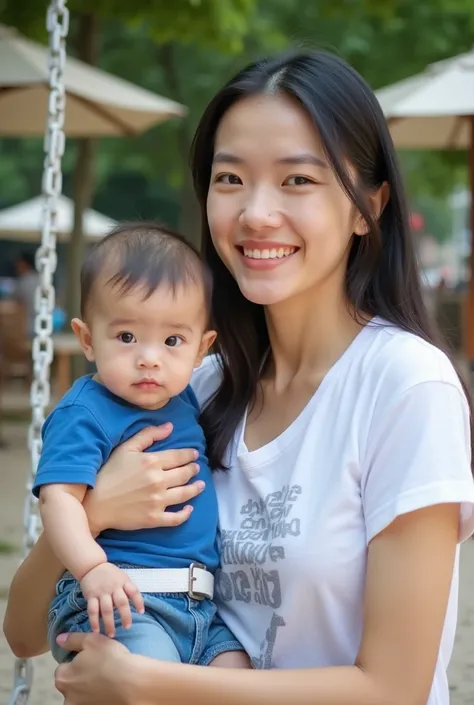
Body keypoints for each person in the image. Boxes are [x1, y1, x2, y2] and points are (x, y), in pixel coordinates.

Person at [4, 48, 474, 705]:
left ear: (368, 206)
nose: (255, 212)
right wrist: (97, 509)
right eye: (230, 179)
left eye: (298, 181)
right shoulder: (195, 389)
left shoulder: (404, 386)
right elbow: (25, 632)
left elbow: (395, 687)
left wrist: (151, 681)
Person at [31, 223, 248, 668]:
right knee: (145, 678)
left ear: (201, 347)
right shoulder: (85, 412)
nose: (149, 357)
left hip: (199, 606)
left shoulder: (185, 400)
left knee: (239, 672)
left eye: (172, 341)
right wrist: (92, 568)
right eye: (126, 337)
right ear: (88, 338)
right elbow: (59, 501)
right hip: (121, 595)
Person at [14, 251, 40, 340]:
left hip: (27, 327)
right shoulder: (40, 279)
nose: (17, 268)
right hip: (41, 326)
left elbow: (17, 303)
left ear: (25, 265)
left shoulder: (23, 281)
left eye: (19, 265)